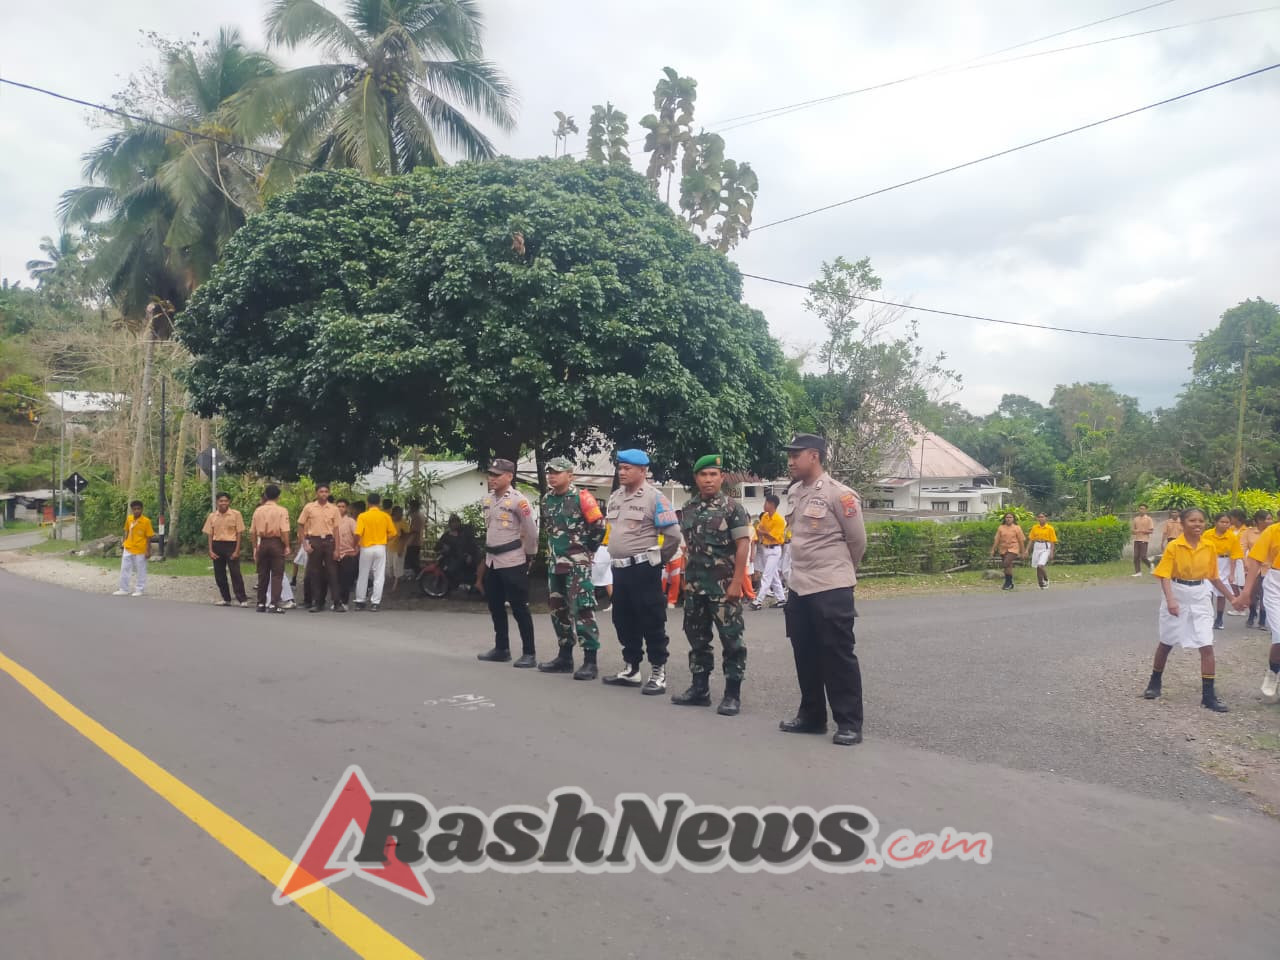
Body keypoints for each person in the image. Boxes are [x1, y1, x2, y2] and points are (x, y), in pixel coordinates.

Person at [777, 434, 868, 747]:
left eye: (795, 455)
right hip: (799, 586)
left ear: (813, 456)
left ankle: (849, 723)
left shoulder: (839, 495)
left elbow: (857, 541)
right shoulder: (796, 493)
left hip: (831, 586)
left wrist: (841, 572)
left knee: (837, 654)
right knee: (805, 653)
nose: (790, 461)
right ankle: (812, 716)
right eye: (789, 455)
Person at [671, 454, 751, 716]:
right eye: (703, 475)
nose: (708, 480)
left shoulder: (733, 509)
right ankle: (699, 689)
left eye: (713, 474)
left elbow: (743, 546)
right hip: (695, 588)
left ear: (722, 478)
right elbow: (690, 547)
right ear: (696, 478)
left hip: (723, 587)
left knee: (732, 641)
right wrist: (685, 583)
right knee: (697, 639)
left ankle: (732, 695)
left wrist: (738, 582)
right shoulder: (689, 508)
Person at [603, 449, 683, 694]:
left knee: (651, 619)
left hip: (643, 568)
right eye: (620, 467)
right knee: (623, 619)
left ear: (643, 470)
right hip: (620, 570)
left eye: (627, 468)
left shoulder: (655, 498)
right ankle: (632, 668)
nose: (622, 472)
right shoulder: (615, 497)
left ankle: (658, 670)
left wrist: (656, 561)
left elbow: (673, 536)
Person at [1142, 508, 1232, 712]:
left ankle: (1208, 696)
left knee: (1206, 643)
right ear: (1183, 523)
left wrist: (1232, 597)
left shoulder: (1209, 546)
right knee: (1166, 641)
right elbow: (1164, 575)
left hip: (1200, 594)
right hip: (1177, 592)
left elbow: (1214, 576)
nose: (1197, 524)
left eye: (1201, 520)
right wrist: (1171, 600)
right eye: (1192, 520)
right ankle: (1154, 683)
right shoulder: (1174, 546)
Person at [536, 457, 606, 680]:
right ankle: (564, 656)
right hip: (555, 563)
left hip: (577, 565)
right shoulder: (546, 500)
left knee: (582, 609)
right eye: (549, 472)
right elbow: (549, 529)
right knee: (558, 610)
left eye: (557, 472)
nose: (551, 476)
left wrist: (587, 550)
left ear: (570, 475)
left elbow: (599, 526)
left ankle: (590, 661)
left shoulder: (582, 497)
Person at [476, 459, 539, 666]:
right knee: (495, 605)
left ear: (509, 476)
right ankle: (502, 648)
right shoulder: (488, 499)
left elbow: (531, 531)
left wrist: (529, 556)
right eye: (491, 474)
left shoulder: (518, 501)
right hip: (492, 561)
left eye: (497, 475)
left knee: (519, 607)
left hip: (513, 559)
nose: (492, 478)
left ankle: (529, 653)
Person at [1232, 517, 1280, 701]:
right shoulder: (1273, 531)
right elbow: (1256, 561)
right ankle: (1273, 671)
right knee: (1279, 635)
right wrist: (1246, 592)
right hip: (1276, 584)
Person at [297, 483, 342, 613]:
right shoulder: (309, 507)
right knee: (314, 572)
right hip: (314, 540)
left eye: (326, 491)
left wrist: (337, 549)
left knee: (332, 572)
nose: (324, 494)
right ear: (316, 493)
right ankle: (317, 602)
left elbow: (336, 530)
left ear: (329, 493)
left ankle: (337, 602)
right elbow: (300, 525)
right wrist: (305, 544)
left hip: (329, 540)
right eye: (321, 491)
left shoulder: (333, 509)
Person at [250, 484, 291, 613]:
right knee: (277, 574)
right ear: (278, 496)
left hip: (263, 542)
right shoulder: (281, 511)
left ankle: (261, 603)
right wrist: (287, 545)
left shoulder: (258, 510)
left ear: (266, 495)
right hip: (276, 542)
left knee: (262, 574)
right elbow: (284, 530)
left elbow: (253, 531)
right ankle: (274, 603)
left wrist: (255, 547)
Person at [353, 493, 397, 611]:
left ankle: (360, 601)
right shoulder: (385, 516)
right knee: (379, 575)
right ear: (379, 503)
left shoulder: (363, 516)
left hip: (366, 547)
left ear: (368, 502)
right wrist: (385, 540)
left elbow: (358, 533)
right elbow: (393, 533)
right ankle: (375, 603)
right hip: (380, 547)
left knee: (363, 574)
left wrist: (356, 545)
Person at [203, 492, 248, 606]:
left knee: (235, 573)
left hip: (231, 544)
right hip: (217, 544)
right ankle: (226, 598)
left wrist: (237, 550)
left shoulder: (236, 514)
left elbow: (239, 533)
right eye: (221, 501)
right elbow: (210, 534)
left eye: (226, 501)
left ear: (229, 502)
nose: (223, 503)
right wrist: (210, 550)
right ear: (217, 502)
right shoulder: (212, 516)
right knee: (219, 574)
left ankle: (242, 599)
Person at [1201, 512, 1242, 630]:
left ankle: (1219, 619)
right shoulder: (1207, 534)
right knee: (1208, 591)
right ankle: (1207, 617)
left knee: (1222, 592)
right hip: (1210, 562)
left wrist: (1232, 574)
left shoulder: (1232, 536)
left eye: (1227, 522)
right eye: (1222, 522)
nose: (1225, 525)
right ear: (1215, 522)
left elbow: (1234, 556)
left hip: (1225, 563)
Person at [752, 494, 788, 610]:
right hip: (765, 548)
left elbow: (773, 536)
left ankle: (758, 601)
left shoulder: (779, 520)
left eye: (766, 503)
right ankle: (781, 599)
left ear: (772, 505)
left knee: (767, 575)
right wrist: (765, 532)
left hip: (774, 550)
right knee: (773, 576)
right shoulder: (765, 517)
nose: (764, 505)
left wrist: (764, 532)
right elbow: (759, 530)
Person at [113, 500, 154, 597]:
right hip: (128, 547)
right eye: (134, 509)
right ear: (132, 510)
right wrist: (124, 543)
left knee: (140, 570)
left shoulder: (146, 521)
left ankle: (139, 589)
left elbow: (149, 537)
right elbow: (126, 531)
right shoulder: (129, 519)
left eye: (138, 509)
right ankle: (124, 589)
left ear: (142, 509)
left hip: (140, 549)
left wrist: (148, 550)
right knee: (125, 568)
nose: (136, 511)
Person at [1241, 510, 1272, 630]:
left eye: (1271, 519)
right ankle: (1252, 613)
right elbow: (1242, 547)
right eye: (1267, 519)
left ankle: (1262, 620)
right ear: (1259, 520)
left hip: (1269, 567)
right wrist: (1244, 562)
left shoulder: (1272, 532)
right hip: (1253, 566)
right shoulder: (1248, 532)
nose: (1270, 521)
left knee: (1265, 593)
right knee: (1252, 593)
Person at [438, 514, 480, 590]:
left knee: (456, 567)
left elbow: (472, 544)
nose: (454, 524)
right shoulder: (446, 535)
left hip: (465, 556)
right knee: (448, 568)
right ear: (449, 524)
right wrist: (443, 546)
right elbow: (437, 546)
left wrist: (470, 554)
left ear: (459, 522)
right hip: (451, 557)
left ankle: (467, 585)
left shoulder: (465, 533)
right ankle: (455, 585)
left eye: (456, 522)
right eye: (452, 522)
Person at [333, 498, 360, 610]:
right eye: (338, 506)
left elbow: (357, 535)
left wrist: (356, 548)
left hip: (348, 553)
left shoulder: (351, 521)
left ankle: (344, 602)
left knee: (345, 579)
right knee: (335, 579)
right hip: (335, 554)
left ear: (347, 508)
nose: (340, 508)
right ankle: (336, 602)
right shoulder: (332, 521)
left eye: (343, 506)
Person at [990, 513, 1026, 591]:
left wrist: (1023, 552)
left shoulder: (1017, 528)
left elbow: (1021, 540)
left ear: (1013, 519)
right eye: (1007, 517)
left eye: (1010, 517)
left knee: (1006, 563)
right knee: (1008, 566)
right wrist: (993, 549)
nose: (1008, 519)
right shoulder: (1001, 528)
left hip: (1013, 548)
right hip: (1003, 549)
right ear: (1004, 519)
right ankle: (1009, 583)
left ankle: (1008, 582)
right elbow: (997, 540)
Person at [1226, 508, 1250, 616]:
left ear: (1237, 518)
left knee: (1243, 584)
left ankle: (1249, 602)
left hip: (1241, 558)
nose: (1229, 519)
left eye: (1231, 517)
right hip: (1231, 558)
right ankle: (1239, 607)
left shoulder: (1247, 530)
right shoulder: (1230, 529)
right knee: (1233, 583)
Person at [1025, 512, 1057, 590]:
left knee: (1041, 565)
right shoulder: (1035, 527)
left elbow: (1053, 541)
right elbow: (1031, 540)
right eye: (1039, 517)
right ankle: (1041, 583)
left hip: (1045, 546)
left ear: (1046, 518)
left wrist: (1051, 552)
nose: (1041, 518)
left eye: (1042, 517)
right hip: (1037, 546)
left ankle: (1046, 579)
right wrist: (1027, 550)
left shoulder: (1050, 528)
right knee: (1037, 567)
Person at [387, 505, 409, 594]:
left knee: (397, 566)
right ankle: (394, 582)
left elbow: (405, 536)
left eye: (401, 513)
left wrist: (401, 548)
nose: (401, 515)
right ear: (394, 513)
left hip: (399, 547)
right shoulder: (389, 521)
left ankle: (395, 585)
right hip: (389, 547)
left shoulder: (403, 523)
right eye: (399, 513)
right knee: (390, 566)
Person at [1130, 504, 1155, 576]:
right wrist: (1135, 531)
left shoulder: (1148, 519)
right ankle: (1138, 572)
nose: (1141, 510)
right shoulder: (1136, 519)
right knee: (1135, 556)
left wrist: (1143, 531)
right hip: (1137, 539)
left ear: (1146, 510)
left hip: (1144, 539)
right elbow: (1132, 530)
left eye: (1143, 509)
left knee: (1143, 556)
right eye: (1140, 508)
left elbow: (1151, 531)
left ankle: (1151, 566)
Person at [404, 498, 425, 578]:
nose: (409, 508)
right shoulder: (418, 515)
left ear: (414, 507)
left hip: (414, 541)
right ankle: (419, 575)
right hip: (416, 541)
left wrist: (406, 533)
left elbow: (415, 530)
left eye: (410, 506)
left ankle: (420, 575)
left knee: (412, 560)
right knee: (413, 560)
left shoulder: (416, 516)